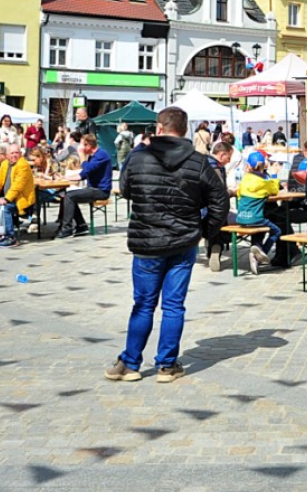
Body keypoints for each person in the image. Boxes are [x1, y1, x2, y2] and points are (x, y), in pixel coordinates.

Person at [107, 106, 227, 383]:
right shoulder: (199, 162)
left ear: (159, 128)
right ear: (185, 130)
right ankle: (166, 365)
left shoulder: (138, 158)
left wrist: (139, 153)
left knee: (144, 304)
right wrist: (206, 232)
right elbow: (219, 200)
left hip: (148, 242)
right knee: (173, 305)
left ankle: (130, 363)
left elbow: (125, 190)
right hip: (183, 241)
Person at [56, 133, 112, 239]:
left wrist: (82, 156)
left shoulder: (101, 155)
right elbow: (83, 174)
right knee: (66, 195)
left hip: (101, 191)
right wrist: (66, 178)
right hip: (93, 188)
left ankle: (67, 228)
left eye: (82, 145)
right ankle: (81, 225)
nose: (79, 148)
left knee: (69, 196)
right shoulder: (93, 156)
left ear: (88, 146)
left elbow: (87, 169)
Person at [236, 151, 281, 274]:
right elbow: (275, 190)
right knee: (276, 231)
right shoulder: (264, 182)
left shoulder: (244, 180)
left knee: (258, 227)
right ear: (263, 165)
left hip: (241, 218)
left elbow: (239, 194)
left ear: (248, 166)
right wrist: (275, 175)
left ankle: (257, 252)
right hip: (256, 218)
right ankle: (260, 254)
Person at [0, 144, 35, 247]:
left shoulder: (23, 165)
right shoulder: (5, 164)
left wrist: (6, 199)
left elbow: (18, 185)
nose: (14, 155)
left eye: (16, 153)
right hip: (6, 198)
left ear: (21, 154)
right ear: (7, 155)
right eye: (12, 153)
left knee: (5, 207)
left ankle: (11, 237)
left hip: (20, 200)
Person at [203, 141, 237, 271]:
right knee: (224, 221)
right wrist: (232, 192)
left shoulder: (203, 162)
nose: (229, 161)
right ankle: (216, 246)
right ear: (222, 154)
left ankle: (212, 247)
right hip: (213, 209)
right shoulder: (216, 167)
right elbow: (218, 193)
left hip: (200, 209)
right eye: (228, 157)